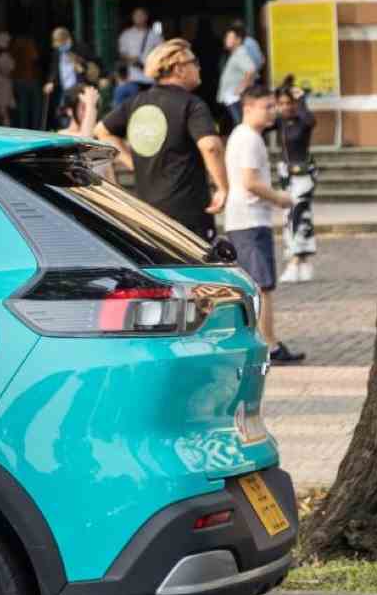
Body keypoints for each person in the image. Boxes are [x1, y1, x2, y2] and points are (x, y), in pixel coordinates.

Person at [95, 40, 228, 240]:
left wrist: (133, 162)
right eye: (194, 62)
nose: (198, 67)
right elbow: (210, 147)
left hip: (150, 213)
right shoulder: (192, 104)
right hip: (188, 214)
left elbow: (102, 130)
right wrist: (223, 186)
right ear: (179, 69)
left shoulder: (136, 102)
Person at [224, 86, 305, 364]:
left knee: (258, 285)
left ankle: (265, 342)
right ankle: (268, 346)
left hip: (245, 218)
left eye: (273, 106)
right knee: (262, 286)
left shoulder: (244, 136)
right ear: (248, 108)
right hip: (250, 219)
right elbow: (250, 182)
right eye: (266, 107)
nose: (272, 111)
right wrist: (279, 198)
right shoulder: (249, 139)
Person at [273, 81, 318, 282]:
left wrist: (301, 100)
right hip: (285, 174)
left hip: (304, 173)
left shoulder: (303, 120)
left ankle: (294, 262)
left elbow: (310, 121)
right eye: (281, 103)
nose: (285, 107)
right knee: (297, 216)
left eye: (288, 103)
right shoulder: (279, 122)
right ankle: (306, 261)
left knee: (297, 214)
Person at [218, 23, 262, 120]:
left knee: (240, 123)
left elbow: (251, 70)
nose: (226, 40)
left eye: (230, 37)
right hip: (231, 97)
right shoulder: (235, 53)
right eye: (227, 37)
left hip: (235, 98)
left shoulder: (240, 53)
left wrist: (241, 88)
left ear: (238, 40)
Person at [117, 7, 163, 86]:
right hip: (131, 78)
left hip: (151, 78)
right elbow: (122, 53)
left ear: (146, 17)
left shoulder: (155, 36)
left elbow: (162, 54)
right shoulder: (126, 35)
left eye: (141, 15)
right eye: (136, 15)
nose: (138, 17)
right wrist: (129, 58)